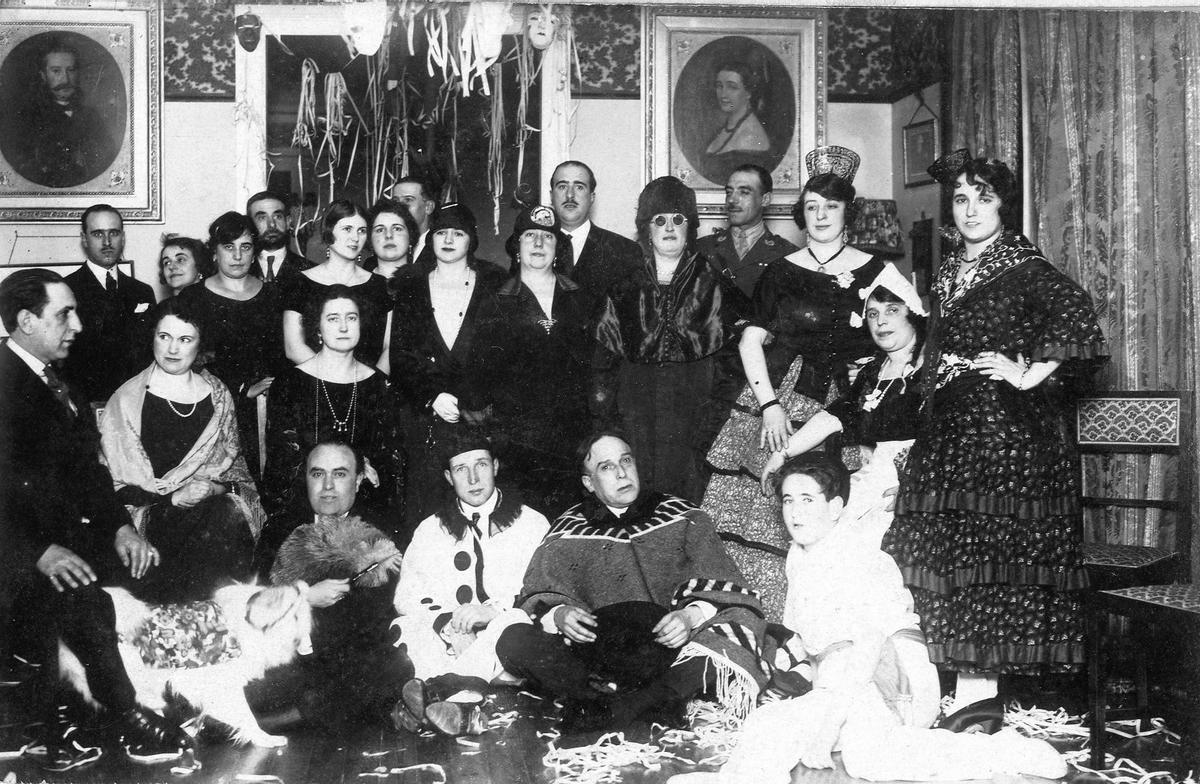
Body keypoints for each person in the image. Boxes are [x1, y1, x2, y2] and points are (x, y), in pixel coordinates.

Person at [668, 456, 1068, 784]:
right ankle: (737, 777)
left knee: (867, 758)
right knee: (778, 722)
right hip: (842, 679)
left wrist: (826, 734)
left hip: (890, 677)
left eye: (808, 499)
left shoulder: (858, 556)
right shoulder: (800, 554)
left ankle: (1004, 750)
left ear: (837, 506)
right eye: (788, 500)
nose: (794, 511)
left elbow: (869, 649)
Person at [883, 151, 1106, 717]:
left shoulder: (1021, 263)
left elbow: (1075, 310)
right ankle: (963, 689)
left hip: (1006, 435)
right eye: (961, 199)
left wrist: (1029, 372)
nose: (972, 209)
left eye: (984, 197)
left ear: (1003, 205)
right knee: (949, 557)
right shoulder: (956, 266)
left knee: (988, 559)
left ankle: (982, 696)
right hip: (954, 432)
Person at [0, 269, 190, 771]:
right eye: (65, 313)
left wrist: (122, 528)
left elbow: (88, 476)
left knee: (161, 568)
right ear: (25, 320)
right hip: (14, 552)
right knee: (83, 598)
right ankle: (125, 715)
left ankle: (151, 701)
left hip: (68, 540)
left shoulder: (60, 379)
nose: (78, 324)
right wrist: (36, 552)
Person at [702, 146, 884, 598]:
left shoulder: (876, 271)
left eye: (832, 206)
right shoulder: (782, 270)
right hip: (782, 399)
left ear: (849, 212)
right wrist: (769, 407)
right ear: (801, 213)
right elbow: (750, 341)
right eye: (812, 207)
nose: (821, 216)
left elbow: (907, 333)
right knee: (756, 512)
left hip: (841, 409)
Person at [495, 433, 769, 732]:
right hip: (595, 654)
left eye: (626, 461)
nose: (622, 473)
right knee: (514, 638)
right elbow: (538, 596)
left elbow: (728, 588)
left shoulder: (683, 515)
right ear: (588, 483)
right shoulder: (567, 529)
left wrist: (690, 616)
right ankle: (627, 701)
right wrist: (560, 614)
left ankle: (612, 704)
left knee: (740, 626)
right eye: (606, 467)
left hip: (666, 647)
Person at [99, 298, 264, 604]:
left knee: (223, 513)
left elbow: (237, 476)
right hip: (148, 518)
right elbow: (111, 485)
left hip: (212, 516)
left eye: (185, 339)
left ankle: (213, 620)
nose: (172, 349)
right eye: (164, 337)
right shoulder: (126, 401)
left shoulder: (219, 396)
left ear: (200, 346)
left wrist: (214, 489)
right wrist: (172, 498)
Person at [391, 433, 549, 735]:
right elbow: (407, 594)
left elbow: (542, 592)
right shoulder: (430, 529)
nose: (473, 478)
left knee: (515, 620)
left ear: (496, 466)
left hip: (501, 643)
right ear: (449, 477)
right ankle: (459, 703)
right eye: (461, 469)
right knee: (406, 625)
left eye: (481, 465)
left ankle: (437, 698)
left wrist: (490, 615)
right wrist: (448, 625)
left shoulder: (531, 523)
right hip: (450, 644)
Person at [760, 264, 927, 548]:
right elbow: (833, 416)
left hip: (917, 482)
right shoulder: (871, 372)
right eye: (873, 314)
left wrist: (917, 489)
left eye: (892, 311)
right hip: (873, 477)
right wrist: (782, 455)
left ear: (913, 315)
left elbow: (950, 437)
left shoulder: (931, 371)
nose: (880, 322)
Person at [256, 441, 412, 732]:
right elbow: (255, 604)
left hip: (347, 663)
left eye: (339, 474)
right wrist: (305, 598)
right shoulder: (278, 529)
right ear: (306, 479)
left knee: (395, 665)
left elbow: (374, 620)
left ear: (359, 480)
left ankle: (278, 721)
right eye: (317, 474)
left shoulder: (380, 533)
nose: (327, 486)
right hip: (287, 657)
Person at [593, 177, 728, 502]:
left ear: (690, 227)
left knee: (689, 487)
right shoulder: (625, 286)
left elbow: (728, 360)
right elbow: (604, 362)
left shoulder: (711, 281)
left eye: (678, 219)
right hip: (637, 402)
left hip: (694, 402)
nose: (669, 227)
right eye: (660, 220)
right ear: (647, 229)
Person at [462, 204, 592, 514]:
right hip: (517, 443)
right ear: (517, 248)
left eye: (546, 238)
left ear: (557, 249)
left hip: (571, 438)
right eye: (529, 236)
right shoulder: (496, 301)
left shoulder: (580, 297)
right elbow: (478, 378)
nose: (537, 244)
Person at [388, 203, 507, 529]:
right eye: (441, 232)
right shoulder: (410, 288)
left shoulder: (495, 284)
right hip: (426, 419)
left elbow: (503, 355)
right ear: (431, 239)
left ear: (472, 240)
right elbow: (400, 357)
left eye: (458, 233)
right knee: (428, 512)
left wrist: (473, 399)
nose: (449, 240)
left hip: (478, 417)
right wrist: (432, 397)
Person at [263, 286, 401, 528]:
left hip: (363, 503)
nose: (344, 327)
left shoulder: (378, 384)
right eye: (333, 318)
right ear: (317, 327)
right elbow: (282, 463)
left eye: (351, 318)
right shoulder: (290, 383)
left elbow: (390, 460)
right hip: (304, 504)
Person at [695, 164, 799, 452]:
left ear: (765, 199)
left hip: (756, 379)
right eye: (729, 192)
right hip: (706, 375)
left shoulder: (786, 255)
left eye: (744, 192)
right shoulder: (702, 250)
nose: (732, 200)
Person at [178, 211, 285, 479]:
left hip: (267, 409)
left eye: (245, 247)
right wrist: (241, 390)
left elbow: (283, 355)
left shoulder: (273, 294)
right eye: (229, 247)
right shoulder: (193, 298)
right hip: (215, 409)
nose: (237, 256)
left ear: (254, 252)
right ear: (214, 253)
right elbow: (189, 361)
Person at [61, 204, 156, 405]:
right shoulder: (66, 290)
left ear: (123, 237)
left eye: (113, 233)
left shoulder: (142, 291)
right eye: (97, 234)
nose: (107, 242)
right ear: (84, 238)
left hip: (136, 402)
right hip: (87, 404)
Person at [281, 200, 391, 369]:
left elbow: (388, 347)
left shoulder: (377, 285)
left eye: (361, 231)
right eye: (347, 229)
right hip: (315, 383)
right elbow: (293, 348)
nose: (355, 238)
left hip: (367, 387)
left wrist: (370, 382)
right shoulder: (300, 282)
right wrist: (337, 379)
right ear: (328, 231)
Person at [9, 39, 118, 188]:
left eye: (71, 70)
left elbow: (106, 159)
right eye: (56, 71)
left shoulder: (92, 116)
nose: (65, 79)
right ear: (43, 75)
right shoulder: (27, 118)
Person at [550, 160, 642, 321]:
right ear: (551, 196)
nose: (570, 195)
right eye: (562, 186)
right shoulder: (534, 249)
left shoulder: (624, 250)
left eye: (579, 187)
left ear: (592, 197)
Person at [702, 62, 771, 184]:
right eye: (719, 86)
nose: (723, 94)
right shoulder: (728, 127)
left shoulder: (750, 136)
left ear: (748, 93)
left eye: (732, 87)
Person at [246, 190, 314, 283]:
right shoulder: (239, 270)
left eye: (278, 216)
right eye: (262, 218)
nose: (272, 224)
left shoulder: (311, 271)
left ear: (288, 221)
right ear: (250, 224)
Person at [362, 197, 418, 282]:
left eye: (397, 229)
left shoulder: (428, 282)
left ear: (410, 236)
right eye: (380, 230)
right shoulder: (356, 285)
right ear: (370, 239)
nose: (388, 235)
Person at [389, 176, 438, 266]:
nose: (399, 207)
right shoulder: (384, 248)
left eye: (408, 200)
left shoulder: (441, 250)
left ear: (428, 207)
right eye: (395, 201)